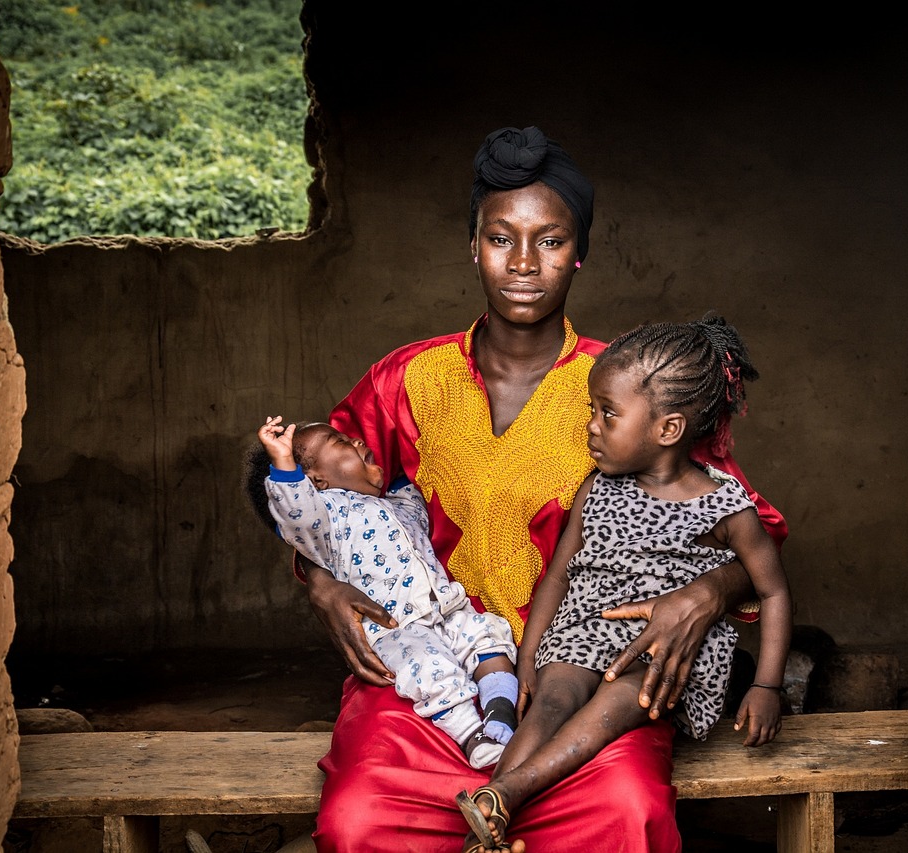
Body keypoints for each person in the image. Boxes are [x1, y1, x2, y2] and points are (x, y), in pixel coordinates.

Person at [293, 125, 788, 852]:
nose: (524, 262)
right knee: (358, 819)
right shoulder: (407, 380)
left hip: (581, 676)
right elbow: (311, 505)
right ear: (473, 245)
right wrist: (320, 583)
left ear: (579, 251)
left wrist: (706, 592)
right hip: (429, 676)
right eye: (501, 238)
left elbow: (754, 532)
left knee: (624, 812)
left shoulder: (628, 389)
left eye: (550, 241)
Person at [454, 316, 792, 852]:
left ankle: (504, 795)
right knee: (550, 705)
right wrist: (529, 659)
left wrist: (766, 685)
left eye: (607, 414)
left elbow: (772, 591)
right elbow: (559, 576)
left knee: (609, 712)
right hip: (582, 634)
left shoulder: (727, 506)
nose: (591, 425)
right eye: (593, 410)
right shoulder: (598, 488)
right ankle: (492, 824)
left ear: (668, 429)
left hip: (663, 656)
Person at [247, 415, 519, 768]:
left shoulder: (397, 504)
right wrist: (284, 463)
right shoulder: (326, 518)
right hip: (399, 628)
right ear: (317, 480)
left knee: (489, 636)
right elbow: (297, 515)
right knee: (429, 669)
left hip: (447, 610)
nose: (358, 441)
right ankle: (472, 735)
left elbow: (414, 478)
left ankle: (500, 713)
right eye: (341, 443)